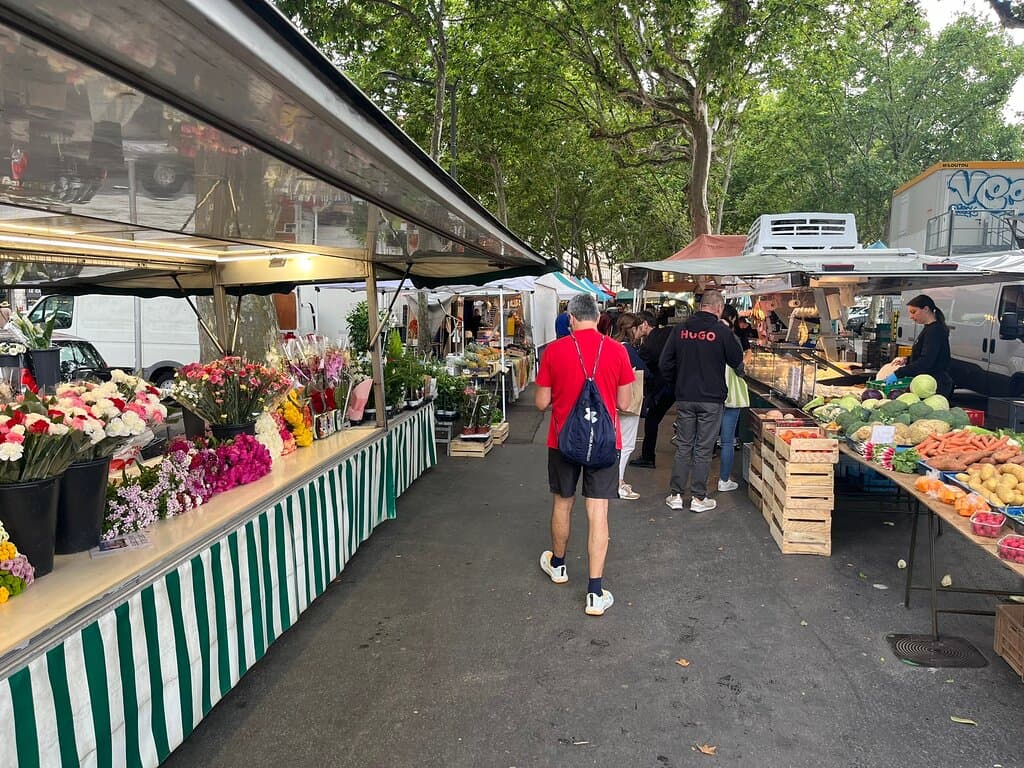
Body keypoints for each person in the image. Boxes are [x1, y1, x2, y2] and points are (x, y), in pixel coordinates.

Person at [535, 293, 634, 616]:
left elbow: (540, 403)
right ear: (597, 316)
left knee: (563, 502)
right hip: (606, 442)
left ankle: (559, 565)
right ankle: (594, 591)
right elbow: (625, 403)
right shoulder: (618, 350)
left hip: (563, 440)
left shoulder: (554, 350)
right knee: (598, 512)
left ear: (572, 318)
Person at [659, 290, 744, 513]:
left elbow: (664, 363)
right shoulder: (722, 332)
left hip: (685, 397)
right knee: (704, 449)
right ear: (719, 308)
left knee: (684, 446)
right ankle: (698, 498)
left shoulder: (680, 329)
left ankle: (676, 494)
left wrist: (677, 383)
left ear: (701, 306)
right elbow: (737, 360)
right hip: (712, 400)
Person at [610, 312, 648, 501]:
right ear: (632, 328)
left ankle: (615, 480)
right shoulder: (628, 350)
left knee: (617, 442)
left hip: (612, 399)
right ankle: (618, 481)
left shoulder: (612, 345)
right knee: (626, 443)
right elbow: (645, 372)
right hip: (628, 400)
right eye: (639, 328)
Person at [630, 310, 674, 469]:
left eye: (637, 326)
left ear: (645, 324)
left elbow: (639, 365)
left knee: (652, 420)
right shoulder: (669, 331)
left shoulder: (648, 345)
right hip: (675, 384)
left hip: (661, 387)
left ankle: (648, 457)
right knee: (654, 419)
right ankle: (648, 456)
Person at [891, 294, 953, 397]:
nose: (911, 317)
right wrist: (908, 359)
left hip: (934, 385)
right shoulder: (929, 328)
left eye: (914, 312)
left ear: (926, 309)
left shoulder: (935, 331)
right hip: (927, 382)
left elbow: (926, 361)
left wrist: (899, 373)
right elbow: (927, 353)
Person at [717, 305, 750, 492]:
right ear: (731, 318)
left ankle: (699, 483)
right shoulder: (733, 338)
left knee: (704, 439)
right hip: (732, 393)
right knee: (727, 440)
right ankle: (723, 480)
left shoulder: (709, 337)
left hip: (711, 392)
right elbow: (740, 367)